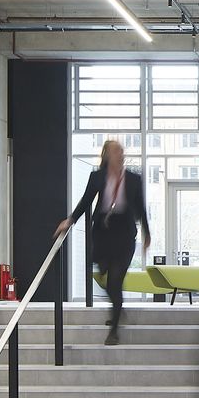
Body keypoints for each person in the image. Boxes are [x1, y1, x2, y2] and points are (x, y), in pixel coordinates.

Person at [58, 137, 150, 343]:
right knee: (107, 281)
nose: (121, 154)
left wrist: (147, 234)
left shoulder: (134, 179)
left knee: (115, 281)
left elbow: (141, 208)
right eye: (117, 151)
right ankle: (117, 306)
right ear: (107, 155)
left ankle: (114, 330)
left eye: (122, 151)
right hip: (103, 235)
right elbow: (86, 201)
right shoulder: (97, 177)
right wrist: (70, 220)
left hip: (124, 236)